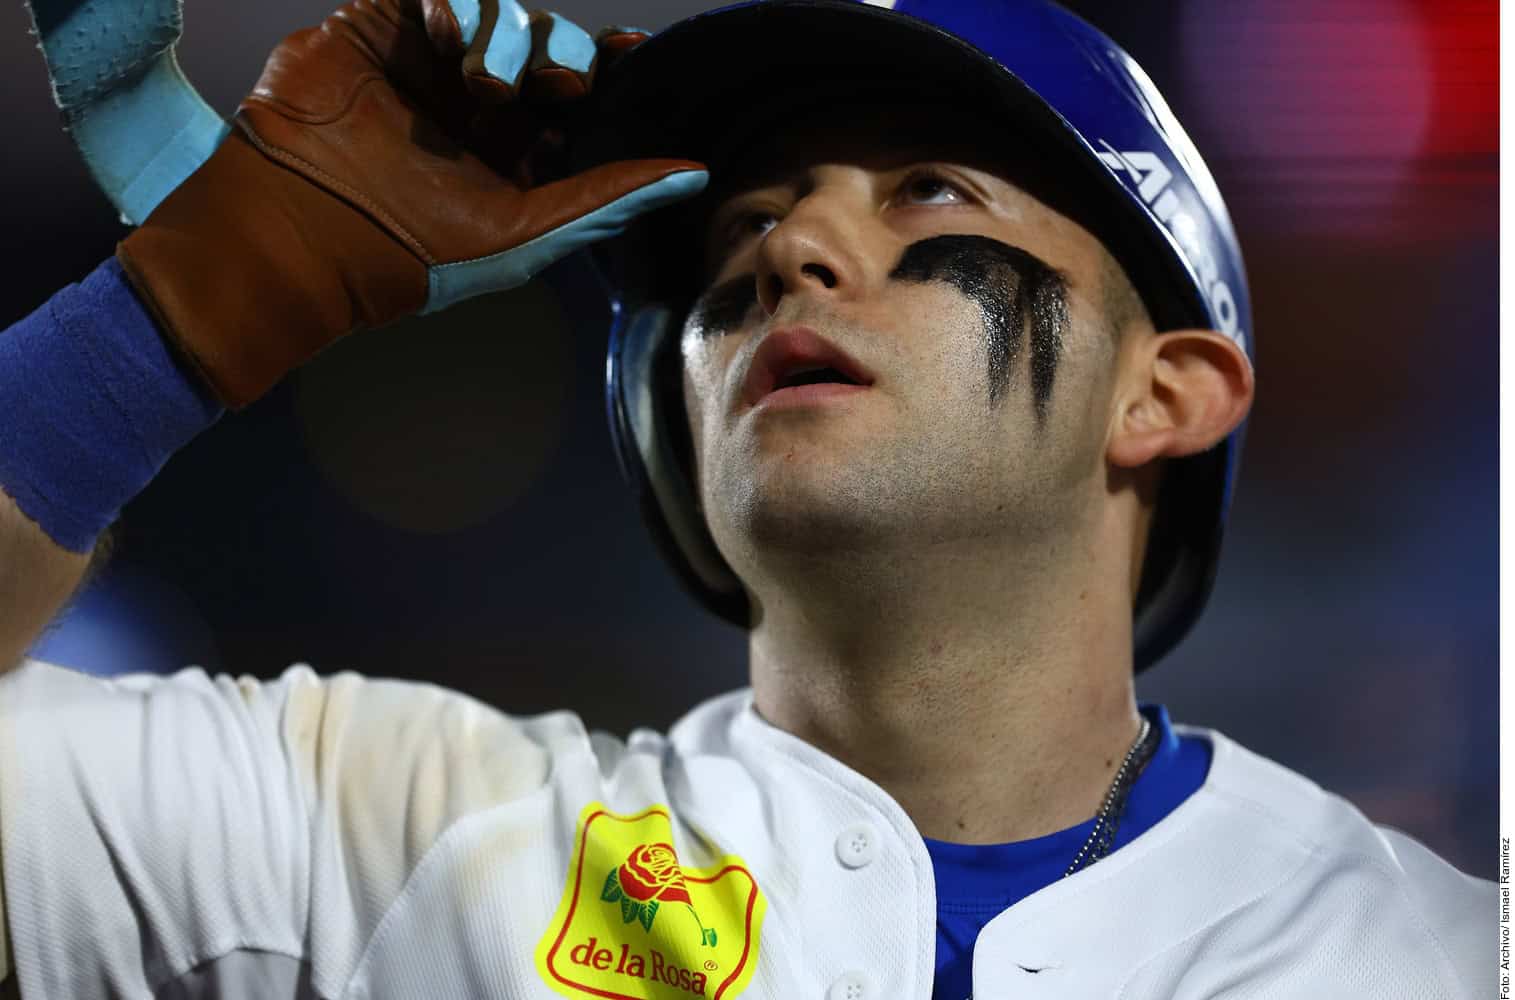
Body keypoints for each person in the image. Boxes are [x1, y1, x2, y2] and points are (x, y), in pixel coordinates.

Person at [0, 0, 1491, 997]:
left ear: (1164, 394)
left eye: (929, 193)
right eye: (745, 225)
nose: (787, 252)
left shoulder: (1429, 954)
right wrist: (181, 313)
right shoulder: (383, 834)